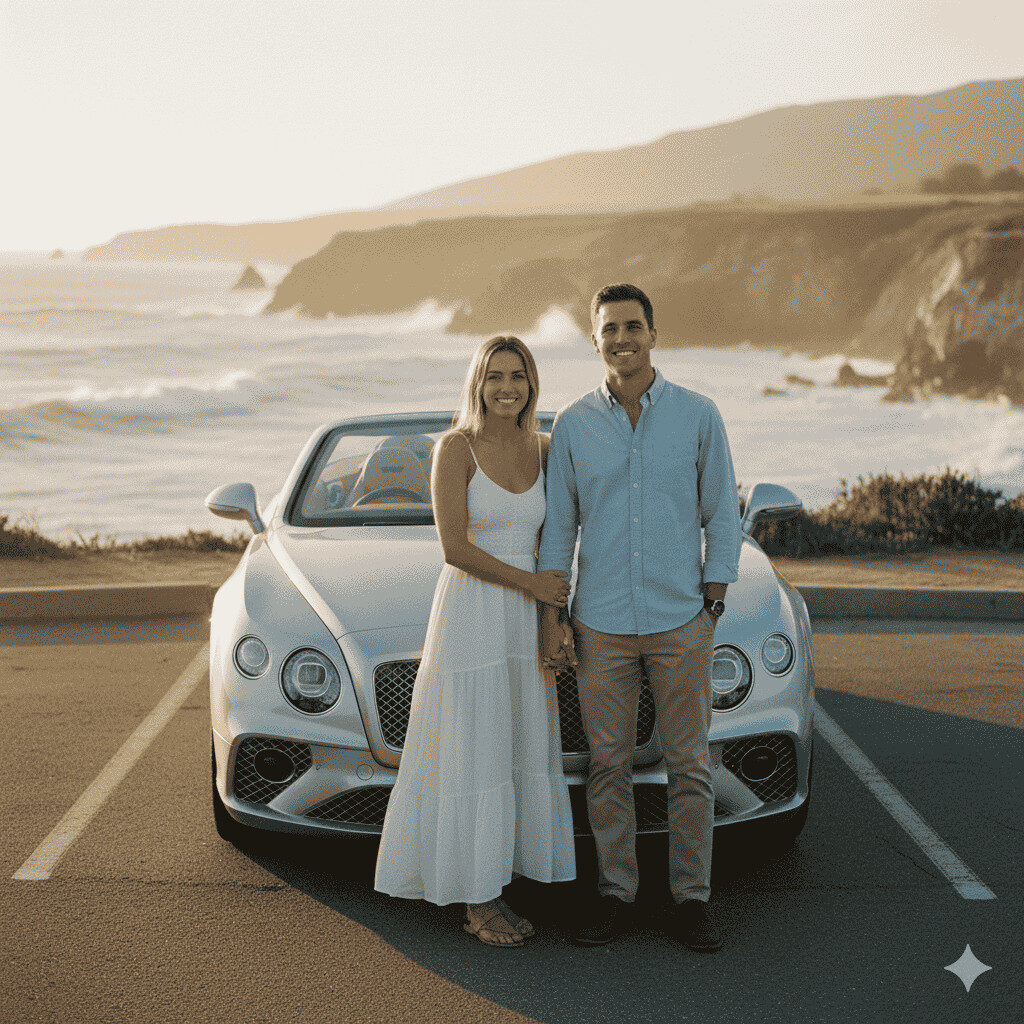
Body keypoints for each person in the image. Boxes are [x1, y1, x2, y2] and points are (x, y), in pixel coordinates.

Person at [537, 283, 742, 952]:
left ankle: (691, 902)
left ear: (653, 334)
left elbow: (723, 515)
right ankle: (616, 896)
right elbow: (559, 526)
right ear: (594, 340)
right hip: (600, 626)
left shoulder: (698, 415)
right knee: (607, 769)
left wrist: (712, 603)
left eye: (633, 326)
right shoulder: (571, 425)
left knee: (689, 766)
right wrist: (556, 615)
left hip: (682, 619)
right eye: (609, 329)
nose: (622, 338)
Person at [374, 335, 577, 947]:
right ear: (477, 383)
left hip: (525, 617)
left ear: (532, 382)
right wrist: (531, 585)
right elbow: (454, 548)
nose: (506, 387)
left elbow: (557, 536)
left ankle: (503, 878)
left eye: (517, 375)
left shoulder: (544, 446)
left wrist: (551, 612)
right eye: (495, 376)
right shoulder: (454, 448)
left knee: (516, 747)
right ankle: (476, 899)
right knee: (474, 750)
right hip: (472, 612)